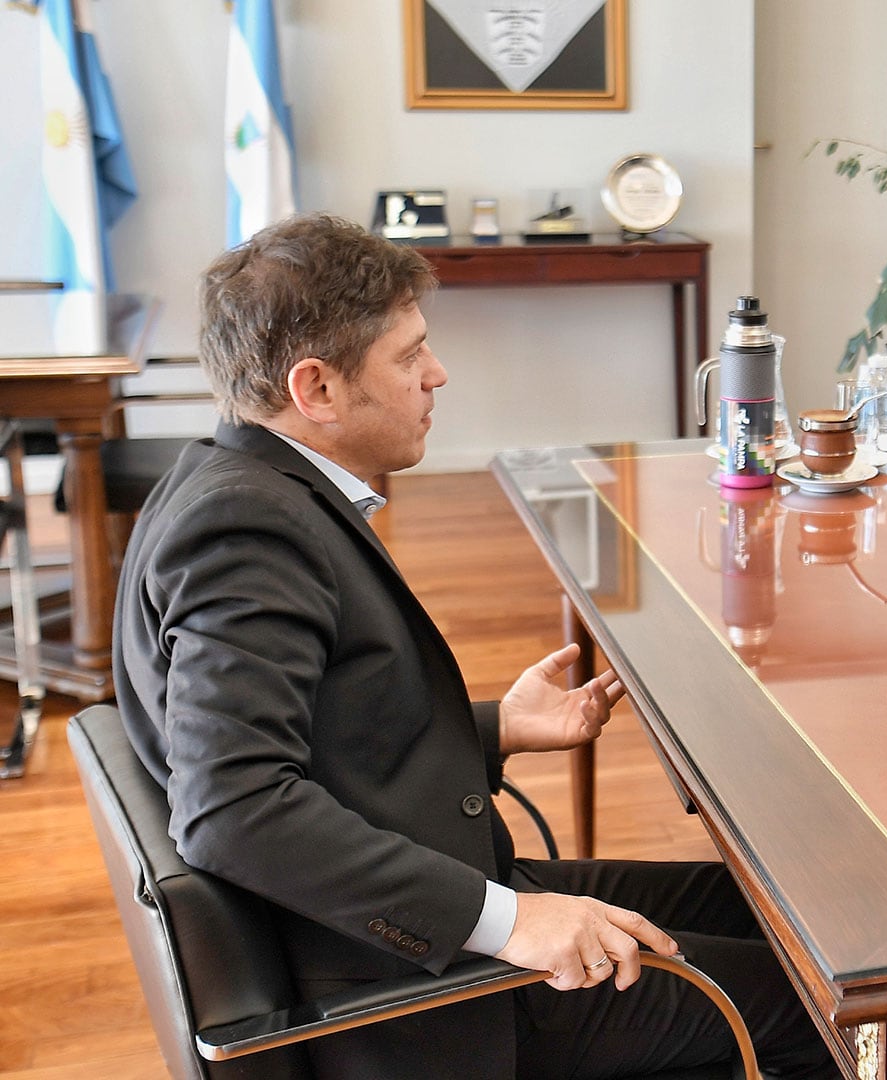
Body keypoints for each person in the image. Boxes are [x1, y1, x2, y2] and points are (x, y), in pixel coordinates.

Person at [114, 212, 834, 1080]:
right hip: (423, 994)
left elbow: (315, 734)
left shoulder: (233, 482)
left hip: (438, 900)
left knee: (788, 919)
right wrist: (513, 924)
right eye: (409, 354)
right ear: (318, 390)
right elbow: (232, 809)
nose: (437, 374)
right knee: (822, 1006)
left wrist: (496, 729)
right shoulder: (246, 530)